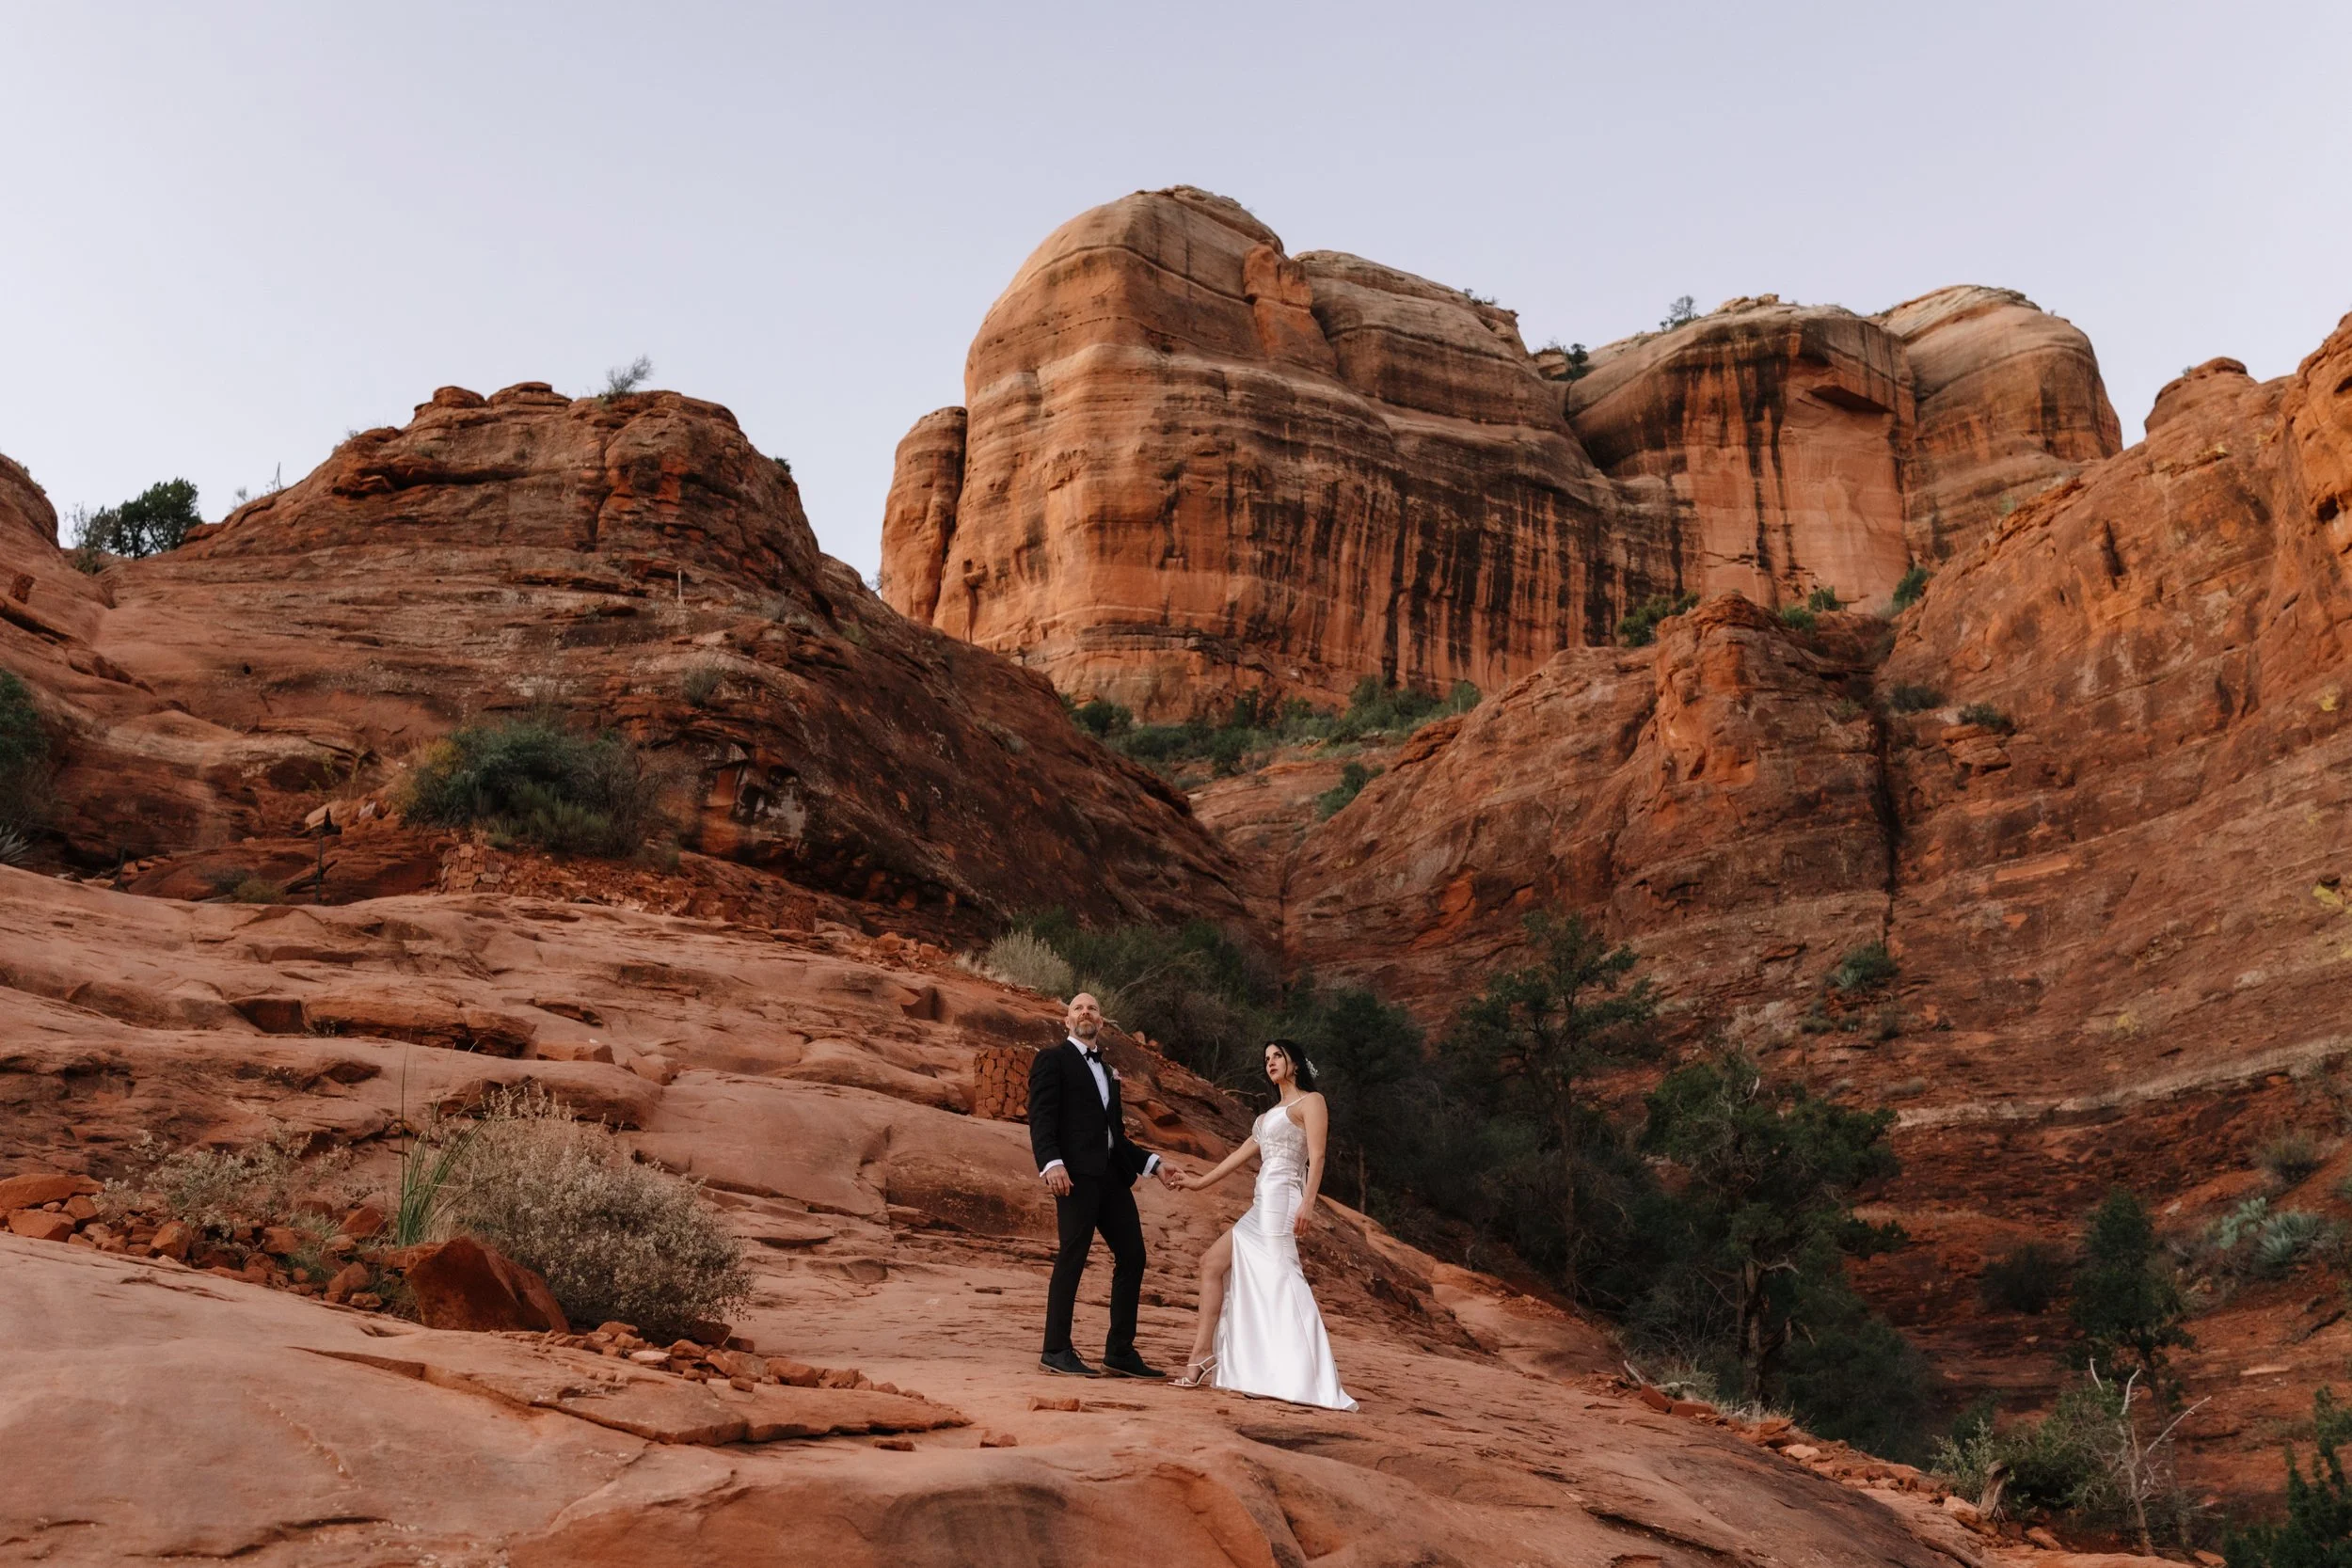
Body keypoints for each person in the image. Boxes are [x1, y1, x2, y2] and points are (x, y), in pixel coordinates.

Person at [1159, 1038, 1357, 1411]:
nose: (1270, 1063)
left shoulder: (1310, 1103)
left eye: (1277, 1056)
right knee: (1211, 1264)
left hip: (1284, 1200)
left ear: (1295, 1063)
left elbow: (1318, 1156)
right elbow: (1238, 1156)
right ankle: (1203, 1356)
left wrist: (1309, 1204)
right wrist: (1197, 1182)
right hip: (1260, 1204)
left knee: (1282, 1275)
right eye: (1266, 1058)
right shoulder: (1266, 1117)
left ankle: (1305, 1374)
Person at [1028, 991, 1167, 1377]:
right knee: (1073, 1254)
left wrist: (1155, 1165)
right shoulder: (1052, 1059)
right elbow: (1041, 1117)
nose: (1085, 1012)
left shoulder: (1108, 1073)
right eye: (1077, 1008)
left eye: (1092, 1008)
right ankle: (1055, 1350)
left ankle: (1119, 1352)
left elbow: (1116, 1136)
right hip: (1073, 1176)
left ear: (1101, 1023)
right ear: (1066, 1022)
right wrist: (1051, 1163)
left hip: (1110, 1177)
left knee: (1133, 1255)